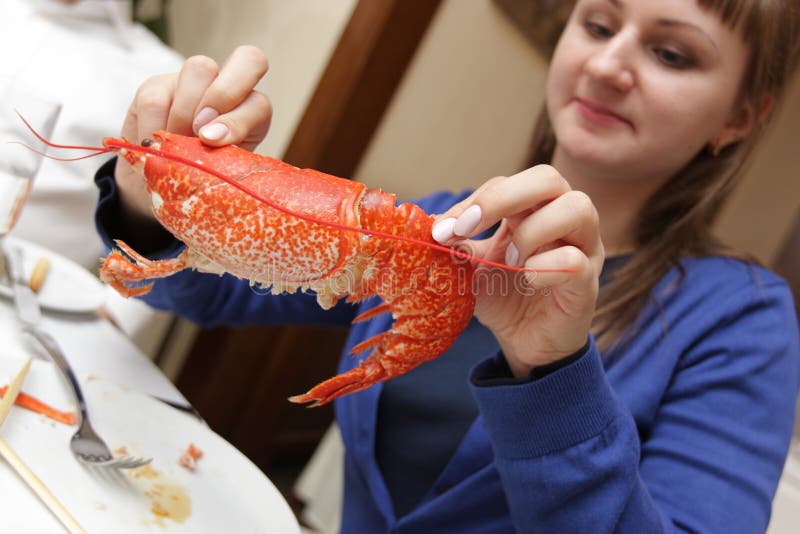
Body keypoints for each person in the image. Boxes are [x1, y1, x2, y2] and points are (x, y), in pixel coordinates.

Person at [93, 0, 800, 532]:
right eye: (598, 23)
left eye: (672, 54)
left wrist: (554, 373)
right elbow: (208, 296)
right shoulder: (440, 221)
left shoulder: (746, 319)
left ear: (740, 116)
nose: (610, 64)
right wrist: (154, 189)